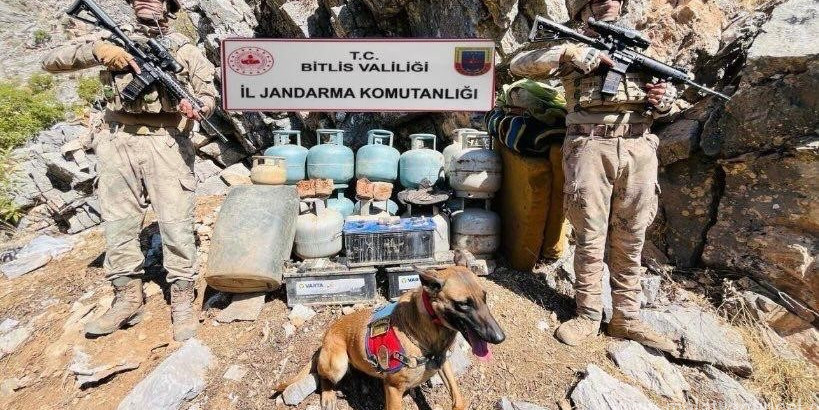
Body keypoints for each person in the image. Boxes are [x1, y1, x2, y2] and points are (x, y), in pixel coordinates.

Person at [41, 0, 217, 341]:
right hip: (117, 139)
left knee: (176, 219)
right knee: (119, 219)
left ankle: (181, 294)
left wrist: (199, 106)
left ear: (168, 6)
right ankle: (126, 296)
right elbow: (51, 62)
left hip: (165, 141)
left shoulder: (184, 50)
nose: (144, 2)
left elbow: (207, 92)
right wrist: (99, 51)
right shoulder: (111, 39)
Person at [509, 0, 679, 353]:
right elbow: (518, 64)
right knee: (590, 234)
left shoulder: (640, 43)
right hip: (590, 145)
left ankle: (626, 318)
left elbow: (672, 98)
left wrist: (664, 100)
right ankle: (587, 314)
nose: (608, 3)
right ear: (581, 8)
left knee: (632, 235)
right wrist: (570, 52)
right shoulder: (571, 40)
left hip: (639, 147)